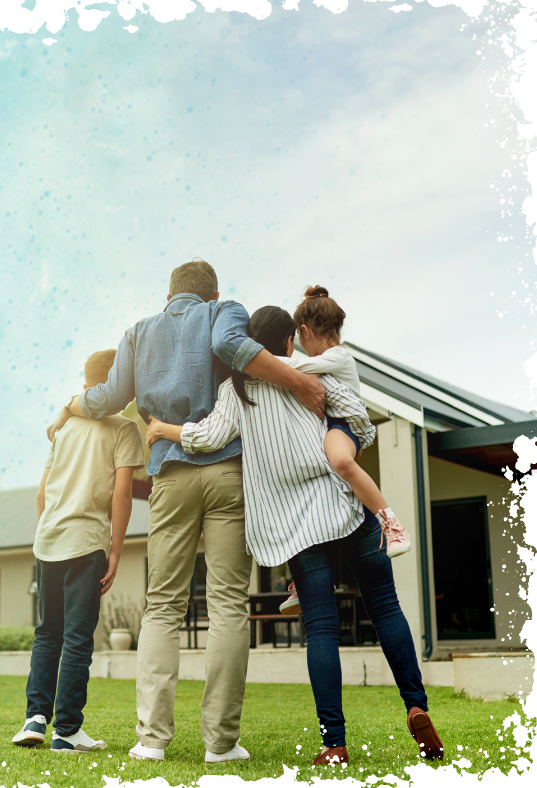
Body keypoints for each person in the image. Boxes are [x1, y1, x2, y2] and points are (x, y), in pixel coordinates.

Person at [46, 260, 327, 765]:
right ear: (213, 293)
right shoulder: (225, 311)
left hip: (169, 476)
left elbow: (110, 397)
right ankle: (220, 743)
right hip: (226, 474)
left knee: (163, 607)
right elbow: (229, 348)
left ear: (169, 295)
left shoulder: (138, 331)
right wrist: (298, 382)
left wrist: (73, 403)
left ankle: (152, 740)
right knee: (226, 605)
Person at [146, 306, 444, 766]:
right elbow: (355, 417)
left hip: (295, 526)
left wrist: (162, 429)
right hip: (342, 502)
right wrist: (346, 438)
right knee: (384, 605)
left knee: (321, 627)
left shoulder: (234, 390)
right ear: (290, 341)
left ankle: (334, 743)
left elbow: (207, 437)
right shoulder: (307, 375)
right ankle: (416, 704)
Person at [12, 349, 144, 752]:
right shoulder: (124, 429)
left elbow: (41, 495)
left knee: (47, 632)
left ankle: (35, 719)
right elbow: (122, 493)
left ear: (86, 385)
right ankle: (66, 730)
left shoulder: (63, 428)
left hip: (48, 540)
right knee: (77, 638)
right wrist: (116, 550)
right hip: (86, 544)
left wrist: (49, 533)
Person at [277, 285, 410, 616]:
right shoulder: (325, 358)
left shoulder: (338, 356)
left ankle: (391, 523)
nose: (301, 346)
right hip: (326, 430)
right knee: (310, 497)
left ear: (305, 331)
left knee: (339, 461)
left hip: (343, 428)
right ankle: (300, 580)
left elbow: (292, 371)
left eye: (299, 337)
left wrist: (254, 359)